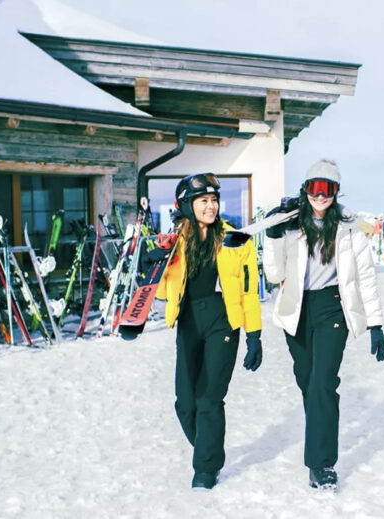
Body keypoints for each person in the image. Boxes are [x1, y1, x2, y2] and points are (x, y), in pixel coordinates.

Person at [263, 159, 384, 490]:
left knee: (322, 384)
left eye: (328, 190)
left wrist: (375, 324)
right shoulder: (291, 224)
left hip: (333, 308)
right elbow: (274, 275)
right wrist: (273, 235)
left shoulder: (349, 226)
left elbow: (365, 275)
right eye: (314, 189)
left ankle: (321, 463)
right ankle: (320, 428)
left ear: (336, 192)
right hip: (297, 310)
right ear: (305, 190)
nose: (320, 196)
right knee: (307, 381)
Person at [156, 173, 263, 490]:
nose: (211, 206)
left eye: (214, 199)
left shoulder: (236, 240)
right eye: (203, 200)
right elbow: (161, 292)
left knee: (209, 398)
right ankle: (208, 446)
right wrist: (158, 262)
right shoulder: (175, 241)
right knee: (185, 403)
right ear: (187, 205)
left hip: (223, 320)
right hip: (188, 321)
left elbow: (249, 290)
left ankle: (206, 468)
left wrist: (254, 335)